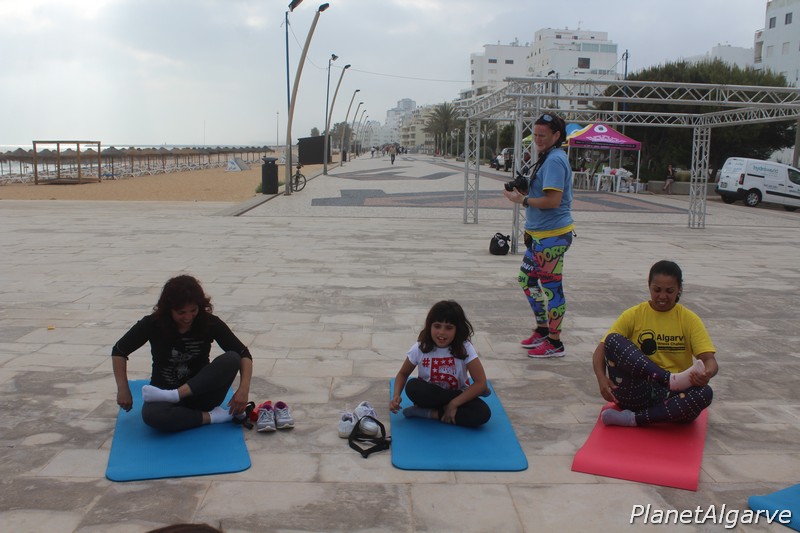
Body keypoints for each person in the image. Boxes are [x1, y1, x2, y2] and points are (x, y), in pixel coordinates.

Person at [111, 275, 254, 432]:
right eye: (181, 312)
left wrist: (243, 389)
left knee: (232, 358)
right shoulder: (152, 324)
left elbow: (244, 354)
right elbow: (119, 351)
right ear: (168, 309)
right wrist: (123, 388)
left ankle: (177, 395)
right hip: (163, 392)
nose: (188, 317)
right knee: (152, 416)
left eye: (193, 310)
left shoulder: (209, 322)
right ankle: (215, 417)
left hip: (202, 394)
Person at [591, 260, 718, 426]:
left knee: (705, 393)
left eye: (669, 291)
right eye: (657, 290)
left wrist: (706, 373)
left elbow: (709, 360)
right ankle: (667, 379)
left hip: (673, 396)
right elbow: (600, 351)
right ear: (649, 286)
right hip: (636, 391)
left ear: (679, 289)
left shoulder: (689, 319)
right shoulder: (634, 314)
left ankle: (634, 419)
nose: (662, 296)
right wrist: (601, 379)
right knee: (612, 339)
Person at [502, 113, 574, 358]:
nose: (537, 139)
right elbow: (543, 193)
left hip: (552, 236)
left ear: (556, 135)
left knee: (552, 289)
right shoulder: (547, 158)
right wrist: (526, 191)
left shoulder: (554, 160)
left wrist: (522, 200)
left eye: (543, 135)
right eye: (535, 135)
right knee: (527, 279)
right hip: (540, 235)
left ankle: (555, 342)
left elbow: (553, 201)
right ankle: (543, 329)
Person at [390, 301, 491, 427]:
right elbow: (403, 374)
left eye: (449, 328)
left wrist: (454, 404)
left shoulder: (465, 347)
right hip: (430, 397)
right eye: (437, 326)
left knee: (483, 413)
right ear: (429, 326)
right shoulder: (420, 347)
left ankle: (429, 413)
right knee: (412, 386)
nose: (442, 332)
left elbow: (481, 382)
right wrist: (396, 395)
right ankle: (471, 394)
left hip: (458, 397)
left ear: (457, 329)